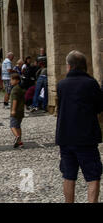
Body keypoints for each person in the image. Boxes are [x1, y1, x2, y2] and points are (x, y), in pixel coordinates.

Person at [56, 50, 103, 203]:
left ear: (69, 66)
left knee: (68, 176)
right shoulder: (91, 83)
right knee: (93, 176)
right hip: (86, 137)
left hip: (66, 137)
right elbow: (99, 107)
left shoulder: (61, 85)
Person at [9, 74, 25, 149]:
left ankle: (17, 137)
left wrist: (13, 110)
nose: (11, 81)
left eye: (12, 80)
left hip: (16, 111)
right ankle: (20, 141)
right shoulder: (20, 88)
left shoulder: (15, 89)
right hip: (21, 111)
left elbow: (15, 100)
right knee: (18, 126)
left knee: (12, 126)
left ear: (17, 81)